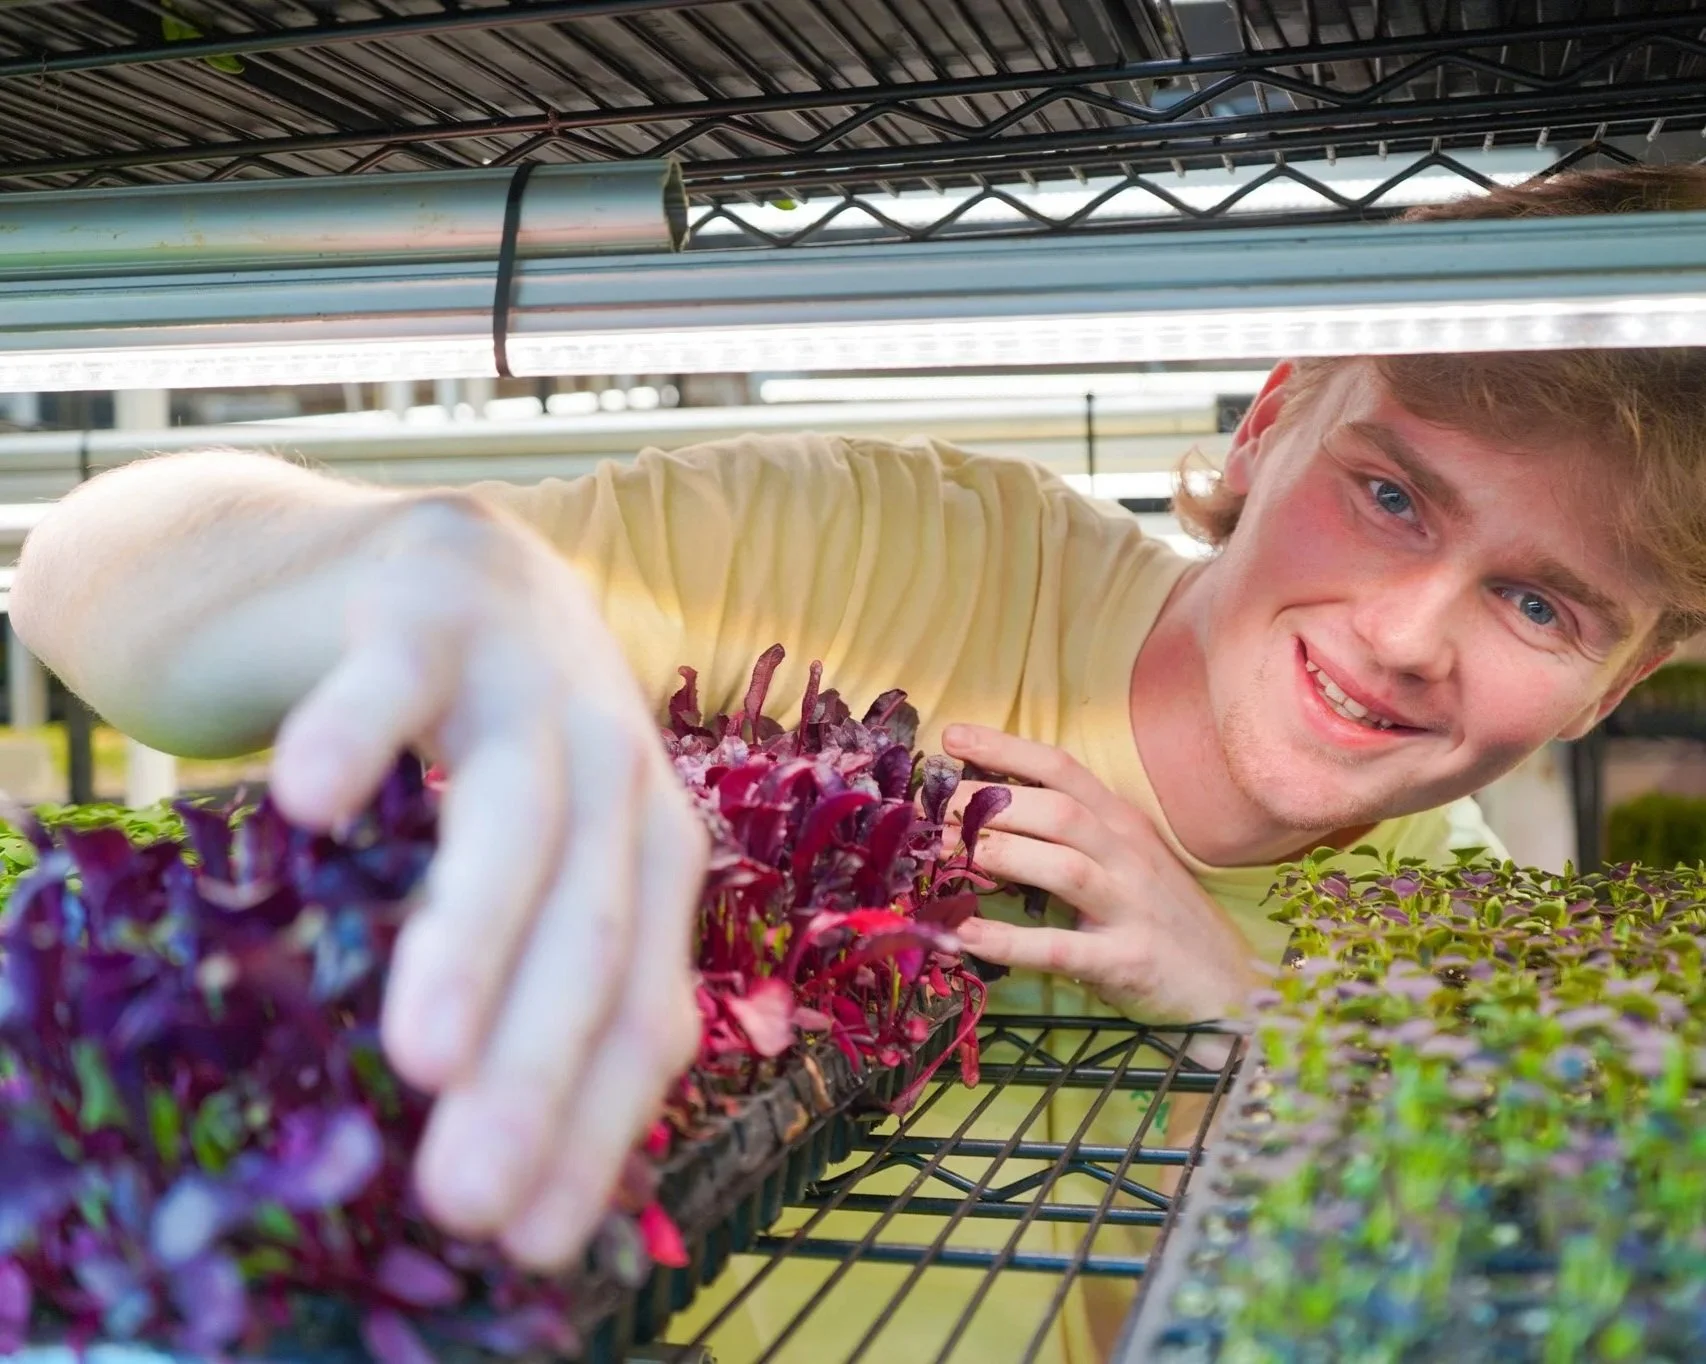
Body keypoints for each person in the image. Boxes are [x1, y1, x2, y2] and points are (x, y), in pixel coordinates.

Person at [11, 163, 1706, 1358]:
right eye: (1389, 493)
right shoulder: (882, 555)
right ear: (1268, 425)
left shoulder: (1478, 986)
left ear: (1624, 675)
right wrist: (408, 569)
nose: (1407, 632)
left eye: (1538, 603)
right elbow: (97, 573)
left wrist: (1258, 1037)